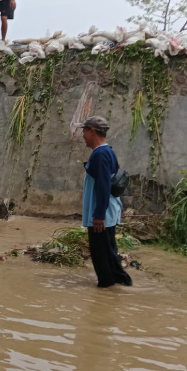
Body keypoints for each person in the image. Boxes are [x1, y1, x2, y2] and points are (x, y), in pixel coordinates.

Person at [77, 116, 132, 288]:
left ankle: (106, 289)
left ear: (92, 132)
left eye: (84, 131)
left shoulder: (100, 154)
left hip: (102, 216)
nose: (83, 135)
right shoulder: (106, 151)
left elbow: (103, 185)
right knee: (108, 253)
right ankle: (122, 283)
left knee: (101, 255)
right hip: (107, 212)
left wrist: (99, 215)